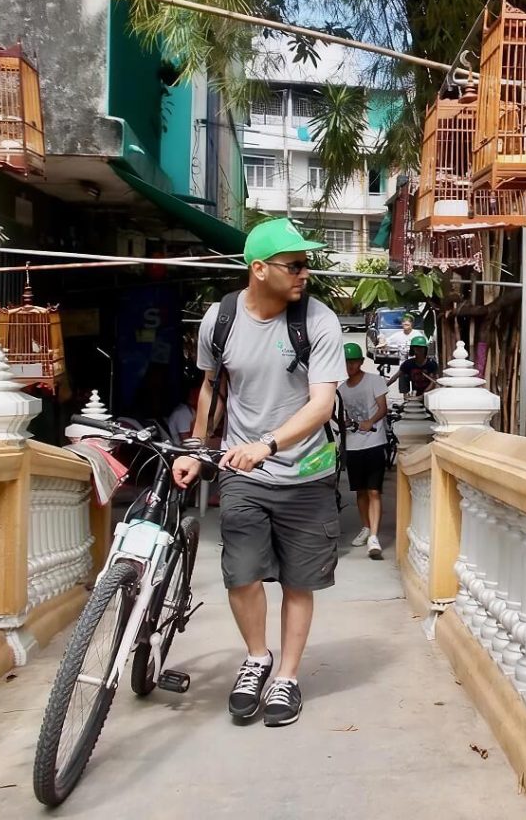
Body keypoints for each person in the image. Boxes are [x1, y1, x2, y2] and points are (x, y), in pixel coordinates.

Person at [172, 217, 347, 728]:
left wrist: (266, 444)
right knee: (242, 573)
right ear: (259, 269)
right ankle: (256, 657)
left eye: (306, 264)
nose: (304, 274)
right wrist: (196, 448)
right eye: (294, 265)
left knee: (298, 581)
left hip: (308, 471)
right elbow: (212, 386)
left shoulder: (319, 322)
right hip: (243, 472)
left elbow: (321, 405)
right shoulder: (219, 319)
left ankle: (287, 677)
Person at [339, 343, 389, 560]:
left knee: (374, 491)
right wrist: (347, 422)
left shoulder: (374, 381)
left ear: (360, 362)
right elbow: (340, 417)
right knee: (359, 491)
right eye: (346, 362)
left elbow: (383, 407)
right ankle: (366, 527)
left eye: (353, 361)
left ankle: (374, 537)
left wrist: (370, 422)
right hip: (353, 445)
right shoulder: (341, 390)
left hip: (375, 443)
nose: (350, 366)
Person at [378, 313, 416, 392]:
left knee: (417, 389)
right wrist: (381, 339)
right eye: (404, 322)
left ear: (412, 324)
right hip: (403, 366)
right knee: (403, 387)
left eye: (408, 322)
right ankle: (405, 399)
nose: (405, 323)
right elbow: (385, 342)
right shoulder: (397, 335)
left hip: (416, 366)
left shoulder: (417, 335)